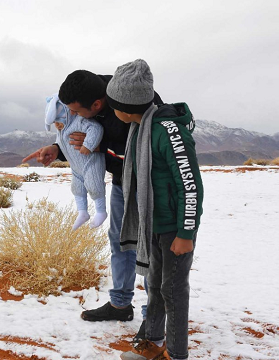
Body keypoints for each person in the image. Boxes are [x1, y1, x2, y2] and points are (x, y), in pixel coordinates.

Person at [23, 70, 163, 329]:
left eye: (76, 111)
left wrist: (100, 147)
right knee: (120, 241)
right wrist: (58, 149)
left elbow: (145, 151)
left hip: (149, 184)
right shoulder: (88, 91)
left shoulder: (129, 101)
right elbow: (77, 132)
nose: (72, 115)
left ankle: (154, 317)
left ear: (97, 105)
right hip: (122, 182)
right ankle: (120, 304)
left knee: (151, 248)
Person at [105, 59, 204, 360]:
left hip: (174, 229)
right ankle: (152, 342)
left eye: (113, 105)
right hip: (155, 226)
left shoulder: (166, 132)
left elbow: (190, 185)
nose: (112, 111)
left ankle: (175, 355)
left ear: (125, 105)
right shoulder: (141, 127)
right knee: (156, 287)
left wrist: (186, 232)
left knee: (173, 292)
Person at [44, 93, 108, 230]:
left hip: (90, 162)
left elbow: (96, 129)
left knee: (94, 185)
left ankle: (101, 211)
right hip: (76, 166)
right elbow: (60, 142)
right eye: (54, 122)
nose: (57, 125)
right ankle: (82, 212)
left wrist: (88, 145)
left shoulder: (79, 121)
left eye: (59, 120)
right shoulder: (61, 130)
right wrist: (54, 148)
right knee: (77, 188)